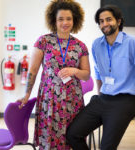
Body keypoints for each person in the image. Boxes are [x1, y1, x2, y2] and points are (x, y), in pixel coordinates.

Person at [66, 5, 135, 150]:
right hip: (103, 99)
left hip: (124, 101)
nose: (105, 24)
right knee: (73, 134)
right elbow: (98, 72)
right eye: (101, 21)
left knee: (106, 147)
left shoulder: (133, 43)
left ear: (118, 21)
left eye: (109, 19)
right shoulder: (97, 44)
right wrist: (100, 95)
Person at [17, 0, 90, 150]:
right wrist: (26, 94)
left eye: (68, 18)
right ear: (54, 20)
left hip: (73, 100)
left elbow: (86, 75)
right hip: (49, 99)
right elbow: (33, 70)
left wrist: (75, 71)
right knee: (49, 139)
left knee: (71, 138)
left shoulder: (80, 46)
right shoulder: (43, 41)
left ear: (74, 20)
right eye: (61, 19)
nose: (65, 22)